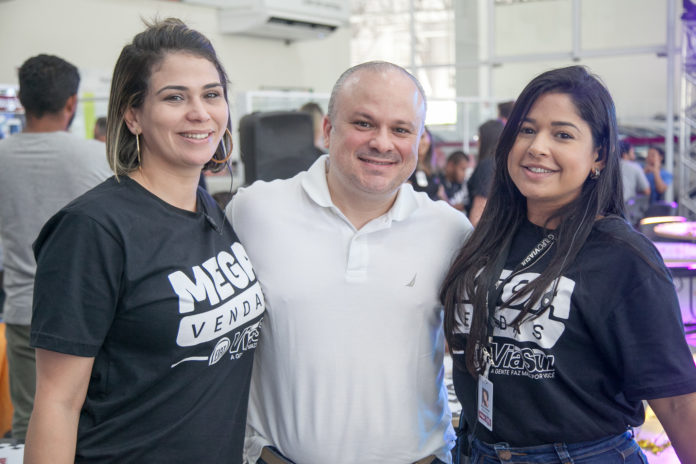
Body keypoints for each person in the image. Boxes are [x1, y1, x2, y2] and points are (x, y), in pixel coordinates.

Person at [24, 19, 265, 463]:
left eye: (211, 94)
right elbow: (57, 404)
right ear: (133, 115)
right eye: (175, 97)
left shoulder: (210, 210)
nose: (199, 112)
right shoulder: (93, 229)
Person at [441, 65, 696, 464]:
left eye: (562, 134)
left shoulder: (622, 256)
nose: (537, 147)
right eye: (526, 130)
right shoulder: (488, 238)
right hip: (477, 449)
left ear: (598, 155)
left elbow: (678, 403)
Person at [228, 61, 473, 464]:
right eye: (363, 123)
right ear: (327, 130)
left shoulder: (449, 230)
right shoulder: (254, 212)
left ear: (419, 141)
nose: (381, 142)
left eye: (401, 129)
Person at [0, 54, 112, 443]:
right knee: (90, 424)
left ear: (20, 102)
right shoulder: (99, 158)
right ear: (71, 103)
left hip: (22, 310)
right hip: (88, 313)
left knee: (31, 425)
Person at [467, 119, 503, 226]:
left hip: (483, 231)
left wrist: (472, 240)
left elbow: (479, 211)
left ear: (487, 139)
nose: (477, 142)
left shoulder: (487, 165)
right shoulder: (500, 163)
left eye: (479, 138)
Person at [408, 126, 442, 200]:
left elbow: (442, 195)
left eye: (422, 137)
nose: (419, 142)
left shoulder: (435, 168)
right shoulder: (408, 169)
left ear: (429, 138)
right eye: (416, 139)